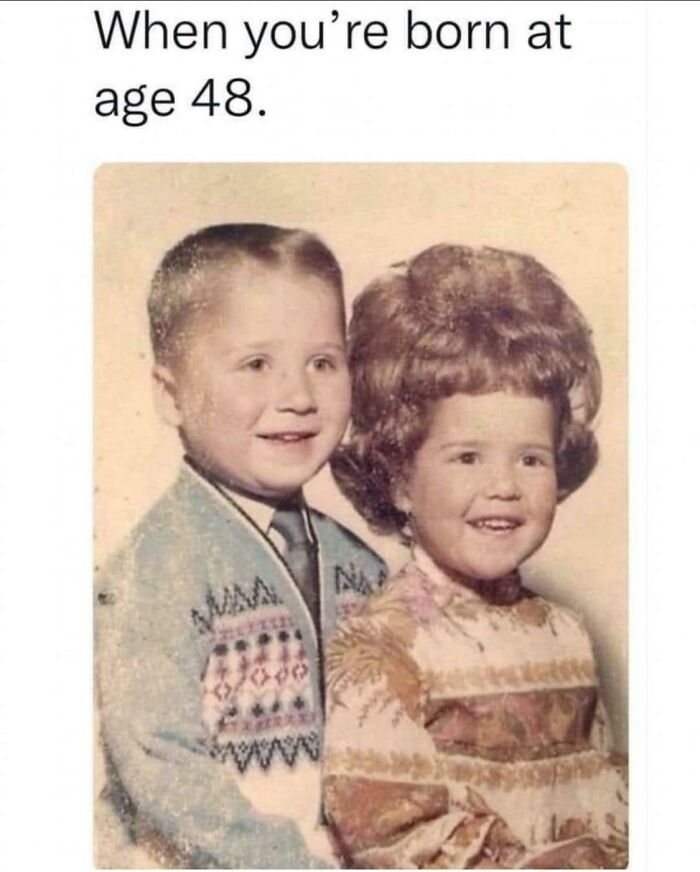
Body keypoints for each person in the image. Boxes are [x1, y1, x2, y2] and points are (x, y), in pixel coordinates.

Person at [323, 244, 628, 868]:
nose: (505, 485)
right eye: (468, 457)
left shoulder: (566, 633)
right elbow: (389, 831)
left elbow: (606, 793)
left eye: (530, 458)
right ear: (400, 479)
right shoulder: (382, 646)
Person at [95, 223, 386, 868]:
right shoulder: (156, 568)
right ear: (171, 396)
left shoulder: (362, 568)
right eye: (257, 364)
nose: (298, 397)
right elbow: (160, 764)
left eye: (323, 362)